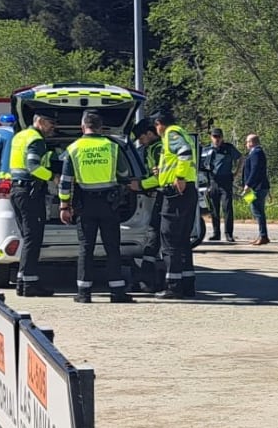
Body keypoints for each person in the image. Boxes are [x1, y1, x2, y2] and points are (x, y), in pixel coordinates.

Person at [59, 111, 140, 304]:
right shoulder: (111, 147)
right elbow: (124, 172)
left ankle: (84, 292)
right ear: (101, 128)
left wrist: (64, 205)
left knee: (86, 247)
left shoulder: (74, 148)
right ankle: (117, 291)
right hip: (109, 204)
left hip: (85, 204)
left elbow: (65, 181)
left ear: (82, 127)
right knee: (112, 247)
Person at [8, 113, 58, 297]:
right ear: (40, 121)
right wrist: (53, 177)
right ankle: (29, 285)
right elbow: (33, 167)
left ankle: (23, 281)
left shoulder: (20, 136)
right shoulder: (36, 140)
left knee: (28, 238)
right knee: (33, 238)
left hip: (17, 191)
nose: (53, 127)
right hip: (29, 192)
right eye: (51, 122)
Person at [151, 109, 199, 298]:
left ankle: (173, 286)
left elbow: (184, 153)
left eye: (155, 126)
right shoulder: (181, 132)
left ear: (159, 123)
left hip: (175, 194)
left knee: (169, 239)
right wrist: (161, 172)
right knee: (182, 241)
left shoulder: (171, 133)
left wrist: (179, 177)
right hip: (187, 193)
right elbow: (175, 159)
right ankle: (187, 284)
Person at [129, 117, 166, 293]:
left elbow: (160, 177)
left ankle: (148, 278)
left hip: (163, 195)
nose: (141, 142)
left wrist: (142, 185)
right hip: (158, 194)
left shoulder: (159, 148)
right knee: (154, 237)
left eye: (142, 138)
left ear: (150, 134)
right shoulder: (151, 148)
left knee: (155, 236)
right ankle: (146, 277)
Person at [201, 126, 240, 243]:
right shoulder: (206, 150)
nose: (217, 139)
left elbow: (241, 158)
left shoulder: (228, 148)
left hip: (226, 181)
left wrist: (236, 173)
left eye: (219, 137)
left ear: (222, 138)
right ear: (211, 137)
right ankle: (216, 233)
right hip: (212, 181)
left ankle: (228, 234)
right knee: (214, 209)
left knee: (227, 208)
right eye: (214, 137)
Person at [241, 132, 271, 245]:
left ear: (251, 142)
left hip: (256, 187)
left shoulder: (256, 153)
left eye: (247, 142)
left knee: (257, 210)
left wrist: (248, 185)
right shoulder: (254, 153)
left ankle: (263, 236)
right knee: (256, 210)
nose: (246, 144)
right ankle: (261, 235)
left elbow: (255, 170)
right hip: (256, 187)